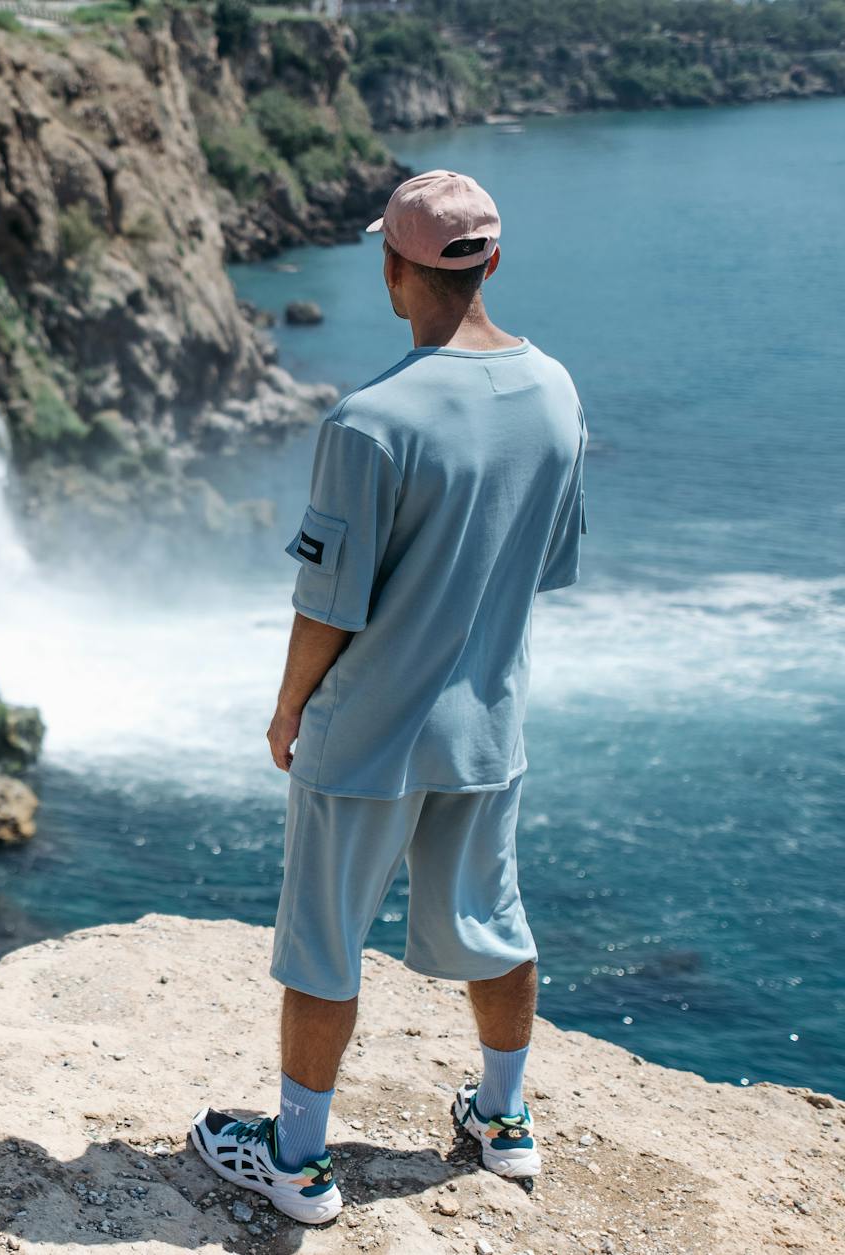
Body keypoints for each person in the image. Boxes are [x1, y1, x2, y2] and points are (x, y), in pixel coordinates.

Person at [189, 170, 588, 1225]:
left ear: (389, 268)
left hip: (367, 732)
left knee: (322, 941)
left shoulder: (367, 421)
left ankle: (296, 1158)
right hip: (487, 725)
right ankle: (501, 1123)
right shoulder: (554, 390)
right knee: (493, 920)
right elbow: (542, 561)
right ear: (489, 263)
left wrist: (286, 711)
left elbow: (326, 604)